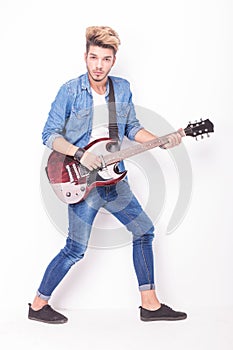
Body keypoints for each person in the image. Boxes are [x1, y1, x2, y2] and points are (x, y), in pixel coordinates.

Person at [28, 26, 187, 324]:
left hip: (116, 180)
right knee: (75, 250)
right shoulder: (70, 91)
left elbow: (131, 128)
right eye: (93, 58)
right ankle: (37, 305)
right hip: (83, 181)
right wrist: (80, 154)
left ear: (114, 60)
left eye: (105, 59)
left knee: (143, 231)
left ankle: (150, 305)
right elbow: (49, 135)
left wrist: (162, 139)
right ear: (85, 57)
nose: (98, 65)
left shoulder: (122, 88)